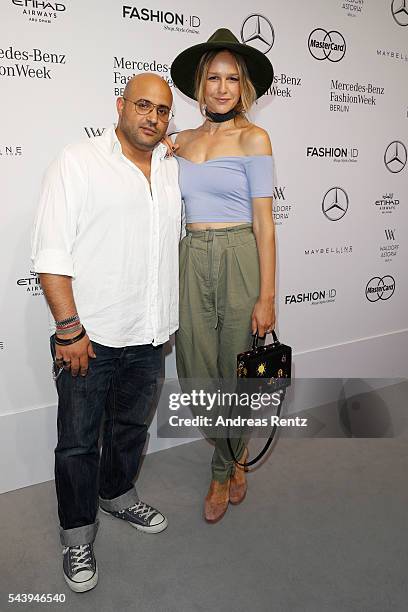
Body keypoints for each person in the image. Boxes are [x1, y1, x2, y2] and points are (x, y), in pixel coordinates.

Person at [31, 73, 181, 592]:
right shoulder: (78, 161)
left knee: (131, 430)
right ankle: (77, 537)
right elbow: (51, 251)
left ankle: (117, 496)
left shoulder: (170, 169)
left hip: (148, 335)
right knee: (76, 444)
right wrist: (69, 330)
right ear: (120, 106)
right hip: (88, 339)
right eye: (143, 105)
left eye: (162, 111)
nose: (153, 118)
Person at [170, 29, 276, 523]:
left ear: (244, 86)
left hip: (238, 253)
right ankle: (234, 448)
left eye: (232, 78)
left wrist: (267, 295)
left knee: (237, 366)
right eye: (213, 77)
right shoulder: (180, 142)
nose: (221, 86)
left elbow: (264, 222)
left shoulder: (254, 137)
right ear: (199, 83)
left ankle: (221, 470)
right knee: (195, 368)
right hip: (192, 256)